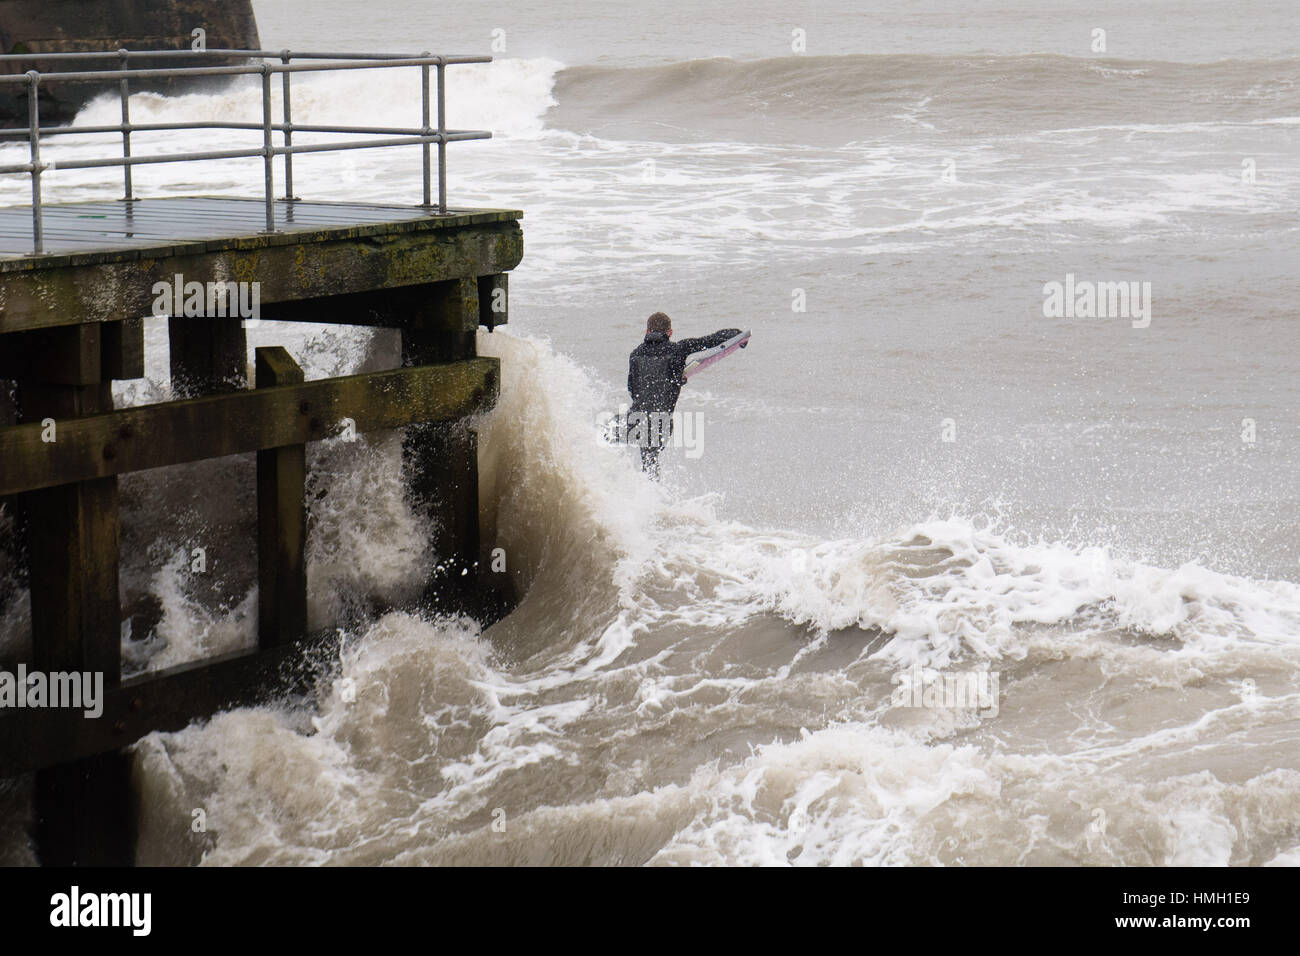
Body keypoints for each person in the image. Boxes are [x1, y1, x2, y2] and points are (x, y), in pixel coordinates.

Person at [627, 312, 741, 478]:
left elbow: (632, 389)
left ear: (647, 332)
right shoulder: (678, 349)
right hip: (662, 422)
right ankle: (651, 497)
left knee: (646, 459)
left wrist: (671, 381)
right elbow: (709, 341)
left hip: (636, 417)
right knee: (651, 460)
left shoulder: (635, 354)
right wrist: (737, 335)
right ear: (670, 332)